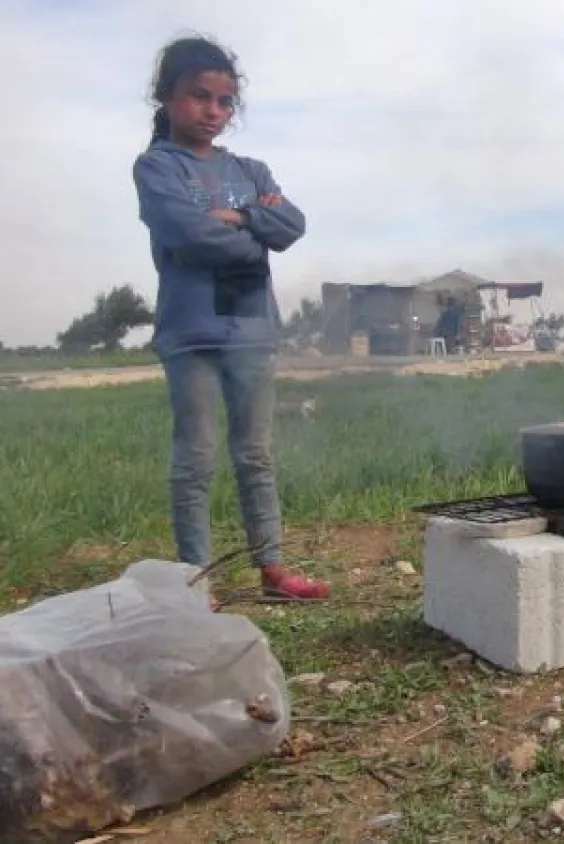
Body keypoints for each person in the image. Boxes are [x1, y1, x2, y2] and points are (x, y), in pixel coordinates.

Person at [132, 35, 330, 601]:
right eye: (200, 97)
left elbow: (291, 226)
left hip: (252, 332)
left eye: (224, 103)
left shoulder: (250, 169)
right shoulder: (156, 168)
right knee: (194, 459)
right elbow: (190, 237)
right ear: (167, 97)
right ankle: (197, 579)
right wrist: (252, 232)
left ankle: (272, 569)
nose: (213, 112)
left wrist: (238, 217)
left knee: (255, 455)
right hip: (190, 334)